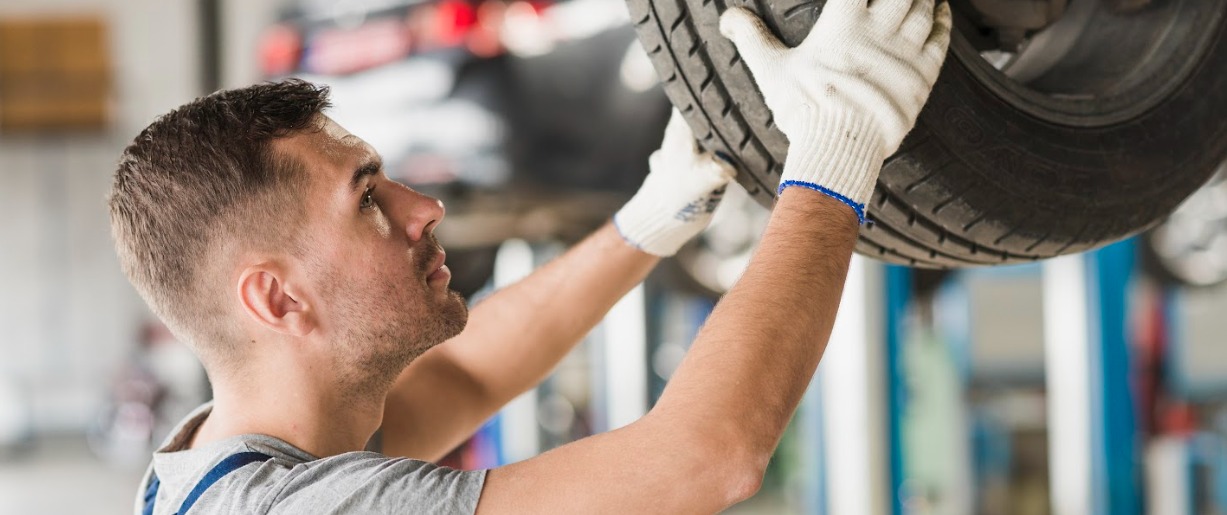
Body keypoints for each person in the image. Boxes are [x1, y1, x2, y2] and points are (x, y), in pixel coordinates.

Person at [111, 0, 950, 512]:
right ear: (276, 299)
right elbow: (706, 460)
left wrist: (649, 222)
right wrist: (839, 148)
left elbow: (463, 378)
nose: (424, 207)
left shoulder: (232, 462)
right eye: (368, 199)